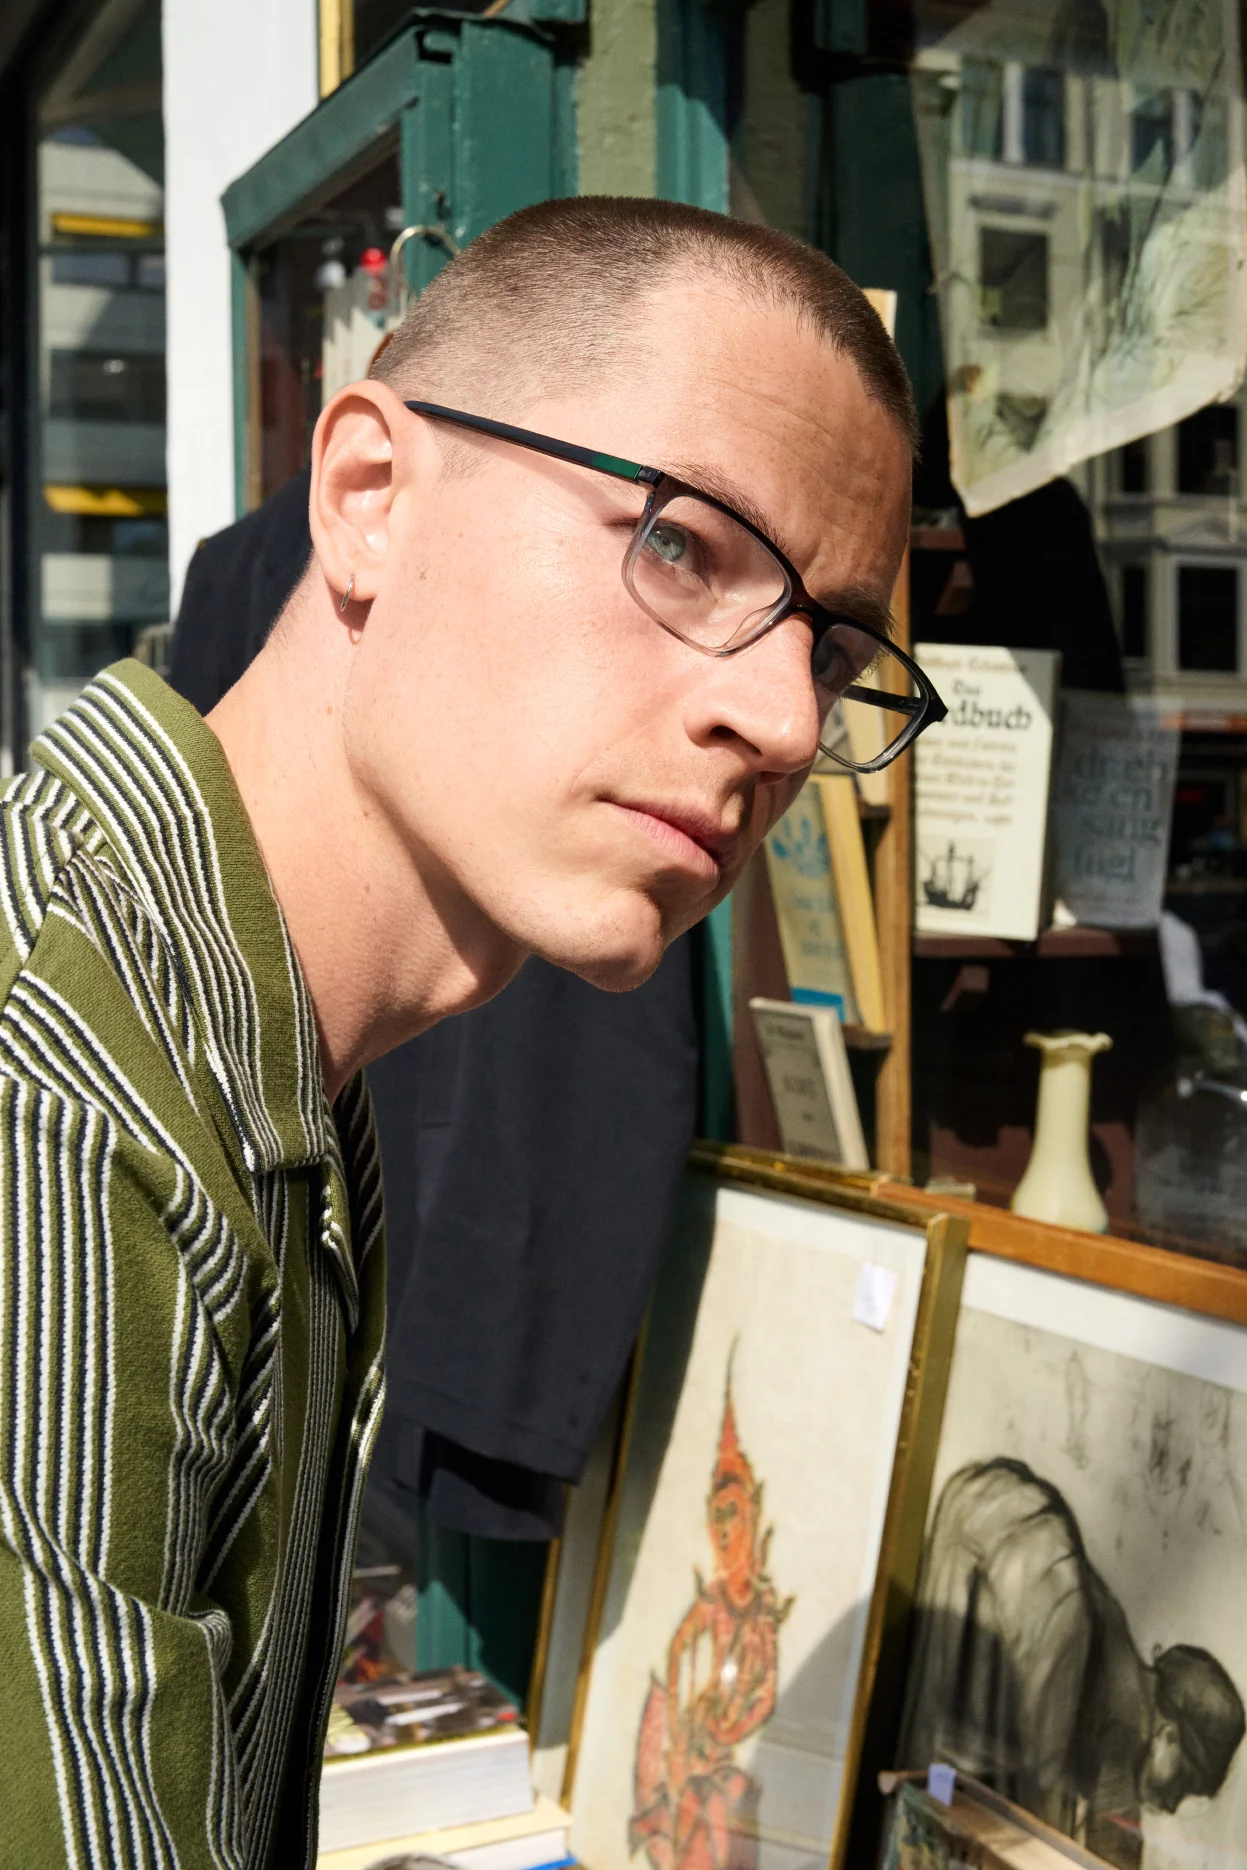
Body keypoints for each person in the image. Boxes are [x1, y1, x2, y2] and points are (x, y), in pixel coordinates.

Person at [0, 195, 926, 1864]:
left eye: (836, 647)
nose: (786, 719)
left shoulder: (252, 1047)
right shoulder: (67, 1090)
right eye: (683, 546)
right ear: (369, 495)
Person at [900, 1458, 1246, 1869]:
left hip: (991, 1521)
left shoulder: (1113, 1665)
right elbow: (1038, 1802)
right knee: (957, 1782)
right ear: (1169, 1737)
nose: (1171, 1806)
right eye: (1186, 1782)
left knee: (942, 1760)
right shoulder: (1079, 1634)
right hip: (1013, 1545)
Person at [631, 1370, 792, 1870]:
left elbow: (766, 1694)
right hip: (689, 1750)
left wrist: (729, 1728)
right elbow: (677, 1652)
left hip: (722, 1757)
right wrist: (682, 1717)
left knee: (724, 1810)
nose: (724, 1529)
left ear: (751, 1515)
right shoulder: (710, 1604)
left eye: (733, 1513)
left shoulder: (761, 1609)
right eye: (717, 1515)